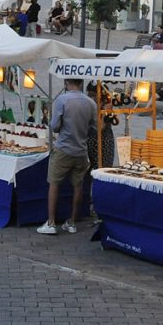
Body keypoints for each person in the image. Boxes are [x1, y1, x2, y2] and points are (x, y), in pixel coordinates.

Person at [36, 78, 96, 236]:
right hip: (81, 150)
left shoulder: (62, 100)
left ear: (66, 82)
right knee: (78, 185)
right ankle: (72, 222)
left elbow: (55, 126)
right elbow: (94, 126)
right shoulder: (90, 103)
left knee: (54, 183)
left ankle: (51, 222)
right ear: (81, 83)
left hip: (64, 148)